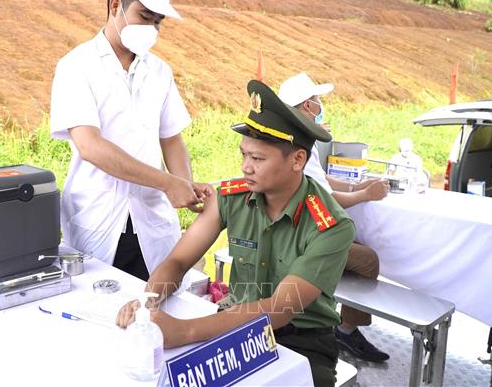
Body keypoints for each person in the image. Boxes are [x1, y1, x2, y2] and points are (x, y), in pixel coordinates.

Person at [117, 80, 355, 386]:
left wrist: (185, 331)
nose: (245, 167)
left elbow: (280, 309)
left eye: (257, 159)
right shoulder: (230, 198)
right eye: (243, 155)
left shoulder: (330, 225)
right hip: (231, 325)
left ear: (298, 160)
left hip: (300, 341)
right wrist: (149, 302)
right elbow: (178, 261)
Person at [49, 0, 212, 282]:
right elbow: (90, 146)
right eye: (144, 16)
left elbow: (171, 138)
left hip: (151, 222)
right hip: (98, 218)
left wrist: (186, 186)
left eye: (158, 21)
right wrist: (167, 183)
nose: (151, 28)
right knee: (100, 313)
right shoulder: (76, 66)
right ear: (115, 6)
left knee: (157, 310)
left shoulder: (160, 72)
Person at [278, 72, 390, 362]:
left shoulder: (292, 135)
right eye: (316, 100)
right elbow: (325, 197)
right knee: (368, 260)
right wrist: (367, 195)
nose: (320, 105)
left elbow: (321, 180)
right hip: (300, 233)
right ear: (306, 106)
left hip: (291, 226)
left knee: (353, 243)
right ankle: (345, 329)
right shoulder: (300, 142)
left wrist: (358, 186)